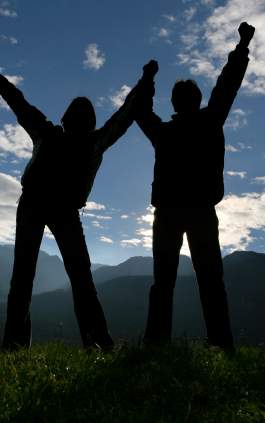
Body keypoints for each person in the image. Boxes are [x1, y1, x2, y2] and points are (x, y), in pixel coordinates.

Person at [0, 50, 141, 350]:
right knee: (81, 279)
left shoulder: (47, 131)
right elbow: (122, 118)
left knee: (22, 279)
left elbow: (19, 104)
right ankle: (98, 346)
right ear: (90, 123)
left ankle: (14, 348)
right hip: (64, 211)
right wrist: (143, 84)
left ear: (67, 118)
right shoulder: (92, 143)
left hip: (32, 204)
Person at [135, 22, 255, 352]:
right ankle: (218, 344)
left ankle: (167, 344)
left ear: (177, 103)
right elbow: (226, 87)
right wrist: (241, 46)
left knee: (179, 282)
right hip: (188, 211)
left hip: (186, 211)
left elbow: (142, 111)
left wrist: (148, 79)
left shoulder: (189, 126)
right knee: (201, 281)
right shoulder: (199, 123)